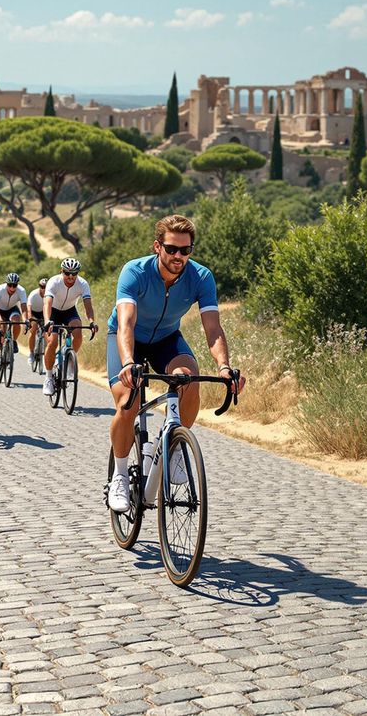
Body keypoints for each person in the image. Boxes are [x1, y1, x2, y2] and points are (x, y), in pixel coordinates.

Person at [104, 215, 246, 513]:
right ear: (158, 247)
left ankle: (174, 446)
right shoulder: (135, 272)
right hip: (127, 338)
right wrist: (129, 362)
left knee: (188, 381)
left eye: (186, 250)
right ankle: (118, 475)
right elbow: (127, 323)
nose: (179, 256)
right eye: (172, 249)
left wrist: (224, 367)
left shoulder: (201, 277)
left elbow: (213, 329)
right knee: (127, 404)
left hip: (167, 340)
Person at [42, 257, 97, 396]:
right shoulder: (54, 282)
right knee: (53, 341)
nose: (70, 277)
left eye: (74, 273)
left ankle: (69, 361)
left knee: (78, 332)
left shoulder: (83, 284)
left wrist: (91, 321)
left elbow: (88, 306)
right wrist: (47, 320)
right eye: (67, 273)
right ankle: (48, 378)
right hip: (53, 312)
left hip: (69, 311)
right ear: (62, 271)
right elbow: (47, 303)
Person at [0, 272, 28, 372]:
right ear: (6, 283)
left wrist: (26, 320)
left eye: (14, 285)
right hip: (0, 310)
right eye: (10, 285)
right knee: (1, 332)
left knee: (16, 321)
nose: (12, 288)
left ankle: (14, 341)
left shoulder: (21, 291)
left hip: (12, 309)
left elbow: (24, 307)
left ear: (17, 284)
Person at [26, 277, 48, 360]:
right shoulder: (33, 294)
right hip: (34, 313)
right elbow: (28, 308)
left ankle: (46, 351)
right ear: (39, 287)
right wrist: (30, 319)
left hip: (44, 313)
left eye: (46, 287)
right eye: (42, 287)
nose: (44, 289)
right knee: (33, 329)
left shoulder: (51, 295)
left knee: (47, 331)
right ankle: (31, 353)